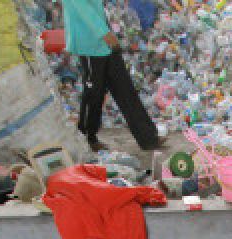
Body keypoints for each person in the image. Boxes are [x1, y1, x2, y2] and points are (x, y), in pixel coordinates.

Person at [60, 0, 161, 152]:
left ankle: (148, 137)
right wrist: (104, 33)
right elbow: (83, 10)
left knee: (125, 90)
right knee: (94, 94)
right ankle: (88, 138)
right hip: (89, 44)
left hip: (106, 43)